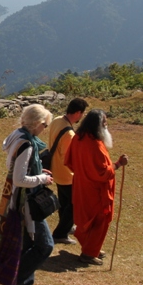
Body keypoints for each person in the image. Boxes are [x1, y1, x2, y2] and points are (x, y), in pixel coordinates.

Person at [0, 103, 55, 285]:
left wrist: (38, 170)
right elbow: (20, 179)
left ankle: (25, 284)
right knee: (45, 245)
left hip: (19, 198)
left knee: (29, 243)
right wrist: (42, 178)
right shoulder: (28, 144)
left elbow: (18, 167)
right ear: (38, 123)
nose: (44, 129)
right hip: (27, 202)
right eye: (45, 125)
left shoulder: (17, 135)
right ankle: (12, 278)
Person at [64, 109, 128, 266]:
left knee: (85, 218)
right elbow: (104, 172)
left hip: (80, 185)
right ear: (98, 125)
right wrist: (118, 164)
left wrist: (82, 172)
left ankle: (93, 247)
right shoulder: (95, 145)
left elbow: (69, 161)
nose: (106, 125)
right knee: (99, 220)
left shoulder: (78, 138)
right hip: (96, 191)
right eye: (104, 122)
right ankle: (88, 253)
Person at [50, 97, 89, 244]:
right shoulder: (69, 135)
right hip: (67, 175)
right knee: (74, 205)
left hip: (56, 170)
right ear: (78, 113)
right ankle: (61, 233)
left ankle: (65, 226)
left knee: (64, 202)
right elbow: (68, 158)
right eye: (83, 113)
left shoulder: (57, 120)